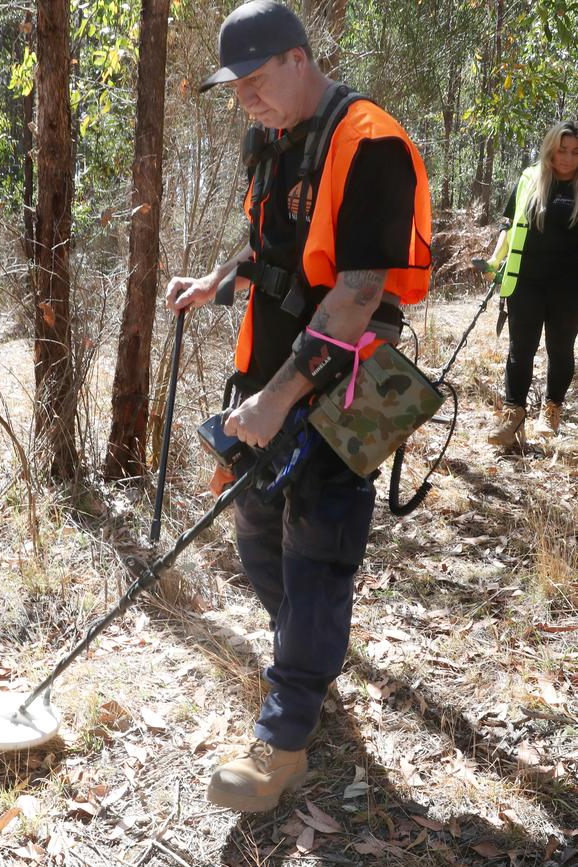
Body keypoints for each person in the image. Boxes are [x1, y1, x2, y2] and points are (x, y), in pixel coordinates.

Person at [166, 0, 431, 813]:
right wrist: (221, 280)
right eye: (233, 87)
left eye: (253, 80)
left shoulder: (370, 143)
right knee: (255, 533)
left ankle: (284, 744)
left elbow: (356, 294)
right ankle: (308, 665)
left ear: (297, 57)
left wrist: (281, 398)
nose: (244, 96)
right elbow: (272, 244)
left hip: (341, 386)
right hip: (270, 377)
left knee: (318, 551)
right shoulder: (280, 138)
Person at [483, 120, 578, 446]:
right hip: (526, 281)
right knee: (520, 349)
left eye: (575, 152)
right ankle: (513, 415)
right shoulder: (530, 178)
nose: (567, 158)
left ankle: (551, 408)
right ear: (550, 148)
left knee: (561, 351)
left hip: (569, 287)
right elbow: (509, 226)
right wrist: (495, 260)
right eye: (561, 150)